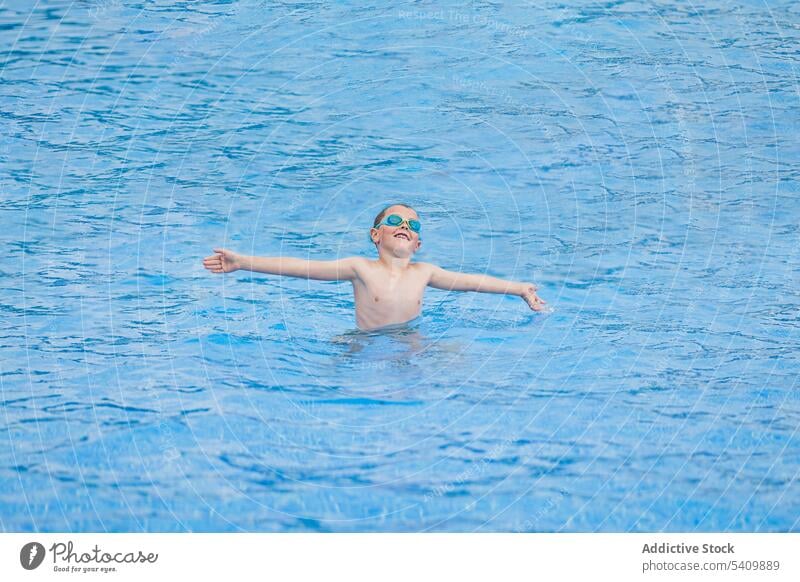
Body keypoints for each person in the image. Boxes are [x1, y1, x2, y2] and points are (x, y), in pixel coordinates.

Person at [202, 203, 546, 331]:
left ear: (418, 245)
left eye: (413, 226)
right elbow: (302, 267)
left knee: (455, 357)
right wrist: (243, 262)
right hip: (365, 343)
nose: (405, 226)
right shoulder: (359, 269)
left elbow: (471, 282)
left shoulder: (424, 273)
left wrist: (519, 289)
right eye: (395, 220)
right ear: (375, 235)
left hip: (411, 340)